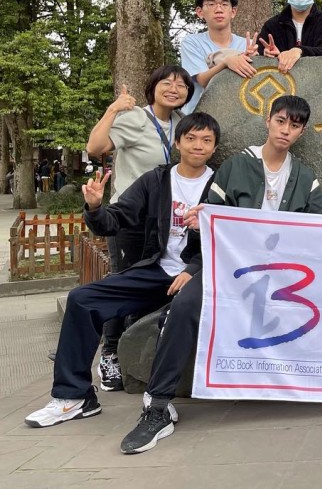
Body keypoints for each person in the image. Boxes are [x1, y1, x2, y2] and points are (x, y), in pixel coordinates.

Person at [117, 94, 322, 455]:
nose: (286, 130)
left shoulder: (305, 177)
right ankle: (157, 406)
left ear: (301, 132)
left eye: (294, 125)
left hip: (283, 276)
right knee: (185, 306)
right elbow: (210, 220)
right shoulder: (236, 167)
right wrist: (199, 223)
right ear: (268, 121)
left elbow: (313, 232)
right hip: (228, 268)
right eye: (280, 121)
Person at [24, 113, 220, 431]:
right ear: (177, 143)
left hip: (198, 278)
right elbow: (115, 220)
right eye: (191, 138)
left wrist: (195, 269)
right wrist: (95, 208)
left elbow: (229, 237)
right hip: (156, 272)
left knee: (175, 316)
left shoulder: (221, 184)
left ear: (214, 148)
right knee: (82, 299)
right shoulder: (157, 180)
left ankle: (158, 401)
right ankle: (74, 397)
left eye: (206, 140)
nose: (198, 145)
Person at [85, 65, 194, 392]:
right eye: (167, 83)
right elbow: (95, 148)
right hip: (130, 216)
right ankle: (109, 354)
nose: (174, 89)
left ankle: (132, 353)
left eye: (181, 85)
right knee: (124, 282)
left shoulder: (181, 123)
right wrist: (114, 109)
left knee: (148, 285)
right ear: (153, 87)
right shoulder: (135, 118)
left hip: (162, 220)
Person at [179, 0, 257, 114]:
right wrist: (226, 63)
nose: (219, 9)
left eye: (224, 4)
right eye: (211, 4)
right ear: (200, 12)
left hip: (235, 115)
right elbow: (202, 81)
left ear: (233, 11)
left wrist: (260, 59)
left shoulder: (246, 44)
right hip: (197, 116)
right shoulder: (192, 42)